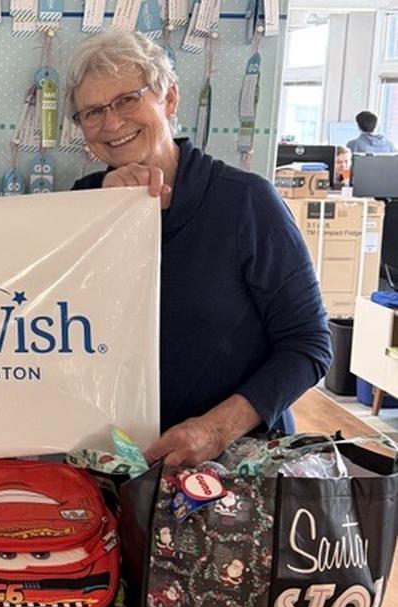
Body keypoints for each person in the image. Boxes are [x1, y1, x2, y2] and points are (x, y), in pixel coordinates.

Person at [66, 31, 332, 467]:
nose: (111, 123)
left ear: (169, 99)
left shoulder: (247, 202)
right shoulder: (79, 203)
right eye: (93, 112)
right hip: (115, 463)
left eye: (128, 100)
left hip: (230, 469)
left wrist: (216, 428)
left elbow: (309, 344)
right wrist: (104, 213)